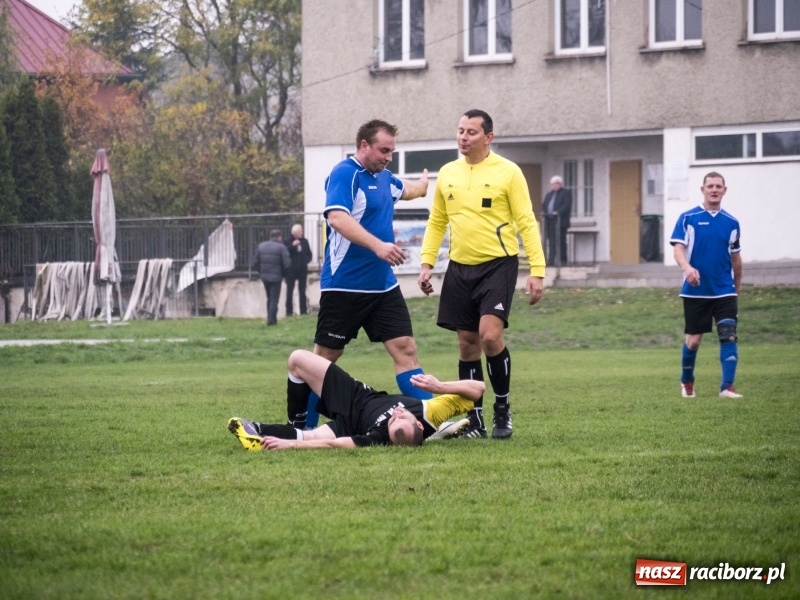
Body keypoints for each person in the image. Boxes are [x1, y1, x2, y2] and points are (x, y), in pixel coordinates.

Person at [417, 109, 546, 440]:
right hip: (460, 268)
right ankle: (474, 420)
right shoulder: (447, 173)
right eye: (460, 130)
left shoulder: (509, 172)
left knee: (490, 336)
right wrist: (427, 263)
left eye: (471, 132)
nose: (463, 137)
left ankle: (501, 407)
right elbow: (437, 222)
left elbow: (527, 221)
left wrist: (537, 269)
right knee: (466, 344)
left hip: (498, 265)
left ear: (488, 137)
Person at [303, 119, 432, 428]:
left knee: (406, 349)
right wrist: (379, 246)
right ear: (364, 146)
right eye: (383, 150)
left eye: (392, 152)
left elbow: (411, 190)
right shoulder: (346, 173)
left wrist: (425, 183)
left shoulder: (386, 179)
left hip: (382, 286)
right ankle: (302, 426)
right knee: (322, 360)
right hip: (345, 285)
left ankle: (429, 422)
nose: (388, 157)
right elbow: (336, 218)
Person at [227, 349, 484, 450]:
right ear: (418, 425)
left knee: (311, 437)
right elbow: (478, 388)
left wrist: (288, 445)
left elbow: (332, 445)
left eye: (392, 425)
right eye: (401, 416)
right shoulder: (430, 411)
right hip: (356, 395)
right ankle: (295, 422)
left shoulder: (378, 439)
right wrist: (439, 386)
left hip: (349, 425)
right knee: (297, 360)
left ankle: (257, 432)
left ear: (390, 439)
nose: (395, 416)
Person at [670, 171, 743, 399]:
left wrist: (736, 289)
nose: (714, 189)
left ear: (724, 190)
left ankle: (727, 387)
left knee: (728, 335)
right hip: (696, 292)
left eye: (718, 186)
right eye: (709, 186)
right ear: (702, 190)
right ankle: (687, 382)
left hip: (724, 291)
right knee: (693, 341)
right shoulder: (688, 217)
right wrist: (687, 268)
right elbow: (678, 249)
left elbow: (736, 260)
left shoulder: (732, 223)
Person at [252, 229, 291, 325]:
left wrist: (261, 272)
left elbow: (255, 263)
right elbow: (287, 264)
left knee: (269, 298)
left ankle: (270, 318)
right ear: (279, 237)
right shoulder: (281, 247)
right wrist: (284, 275)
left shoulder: (261, 246)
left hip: (265, 277)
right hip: (277, 277)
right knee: (274, 299)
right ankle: (271, 320)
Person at [542, 175, 572, 266]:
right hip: (550, 221)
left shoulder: (566, 193)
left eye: (555, 184)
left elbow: (566, 205)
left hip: (560, 221)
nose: (554, 186)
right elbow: (544, 205)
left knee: (561, 241)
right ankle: (551, 260)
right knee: (551, 241)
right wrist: (543, 212)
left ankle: (562, 261)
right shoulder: (549, 194)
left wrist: (558, 212)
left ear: (560, 184)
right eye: (552, 184)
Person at [284, 223, 313, 316]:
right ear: (294, 233)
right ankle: (289, 312)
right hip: (291, 270)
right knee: (289, 291)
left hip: (302, 270)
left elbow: (309, 254)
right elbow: (285, 252)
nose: (301, 233)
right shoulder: (287, 241)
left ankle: (303, 311)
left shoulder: (305, 241)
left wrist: (306, 261)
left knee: (302, 291)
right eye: (299, 231)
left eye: (302, 231)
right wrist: (292, 246)